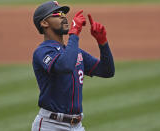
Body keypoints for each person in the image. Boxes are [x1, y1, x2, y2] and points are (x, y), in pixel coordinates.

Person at [32, 1, 115, 131]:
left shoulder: (75, 52)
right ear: (44, 23)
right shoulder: (43, 51)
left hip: (76, 126)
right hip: (50, 125)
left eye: (64, 13)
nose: (63, 17)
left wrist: (102, 43)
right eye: (57, 14)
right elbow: (65, 65)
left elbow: (107, 71)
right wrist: (74, 33)